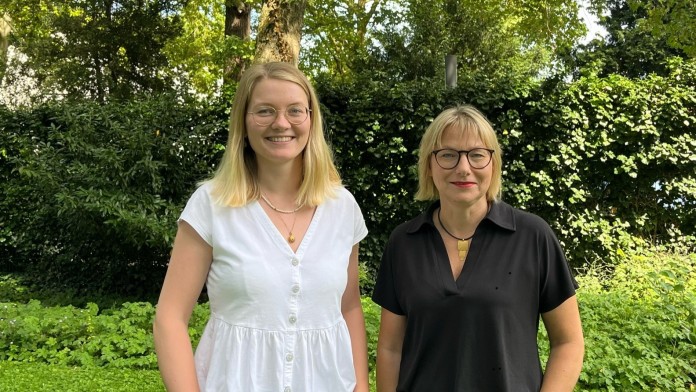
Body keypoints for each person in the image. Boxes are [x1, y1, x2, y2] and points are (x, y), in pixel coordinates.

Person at [153, 62, 369, 392]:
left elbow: (349, 307)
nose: (281, 123)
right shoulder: (212, 204)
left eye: (295, 110)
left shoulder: (342, 207)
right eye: (264, 111)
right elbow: (170, 318)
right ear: (243, 121)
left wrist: (361, 388)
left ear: (311, 119)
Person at [372, 105, 584, 391]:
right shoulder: (403, 243)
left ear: (493, 164)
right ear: (429, 165)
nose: (463, 167)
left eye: (477, 155)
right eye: (448, 154)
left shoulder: (533, 236)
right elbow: (390, 349)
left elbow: (568, 342)